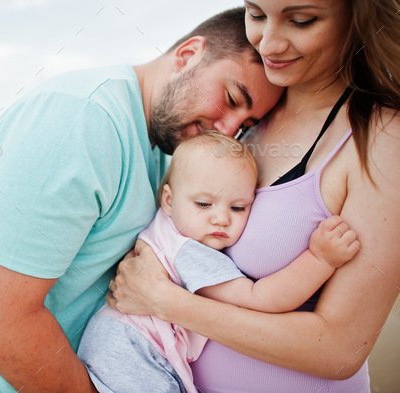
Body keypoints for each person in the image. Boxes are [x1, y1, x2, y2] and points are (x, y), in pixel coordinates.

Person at [0, 8, 283, 393]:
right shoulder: (81, 120)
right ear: (187, 56)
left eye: (246, 125)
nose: (228, 129)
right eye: (231, 98)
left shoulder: (166, 147)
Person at [108, 1, 400, 392]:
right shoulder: (244, 122)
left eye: (301, 20)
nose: (270, 44)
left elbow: (341, 351)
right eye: (257, 14)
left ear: (357, 16)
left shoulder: (381, 137)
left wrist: (166, 302)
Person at [78, 132, 359, 393]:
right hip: (135, 349)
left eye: (238, 207)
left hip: (113, 338)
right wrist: (320, 258)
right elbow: (261, 298)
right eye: (204, 204)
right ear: (168, 200)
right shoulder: (190, 251)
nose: (222, 218)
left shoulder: (166, 226)